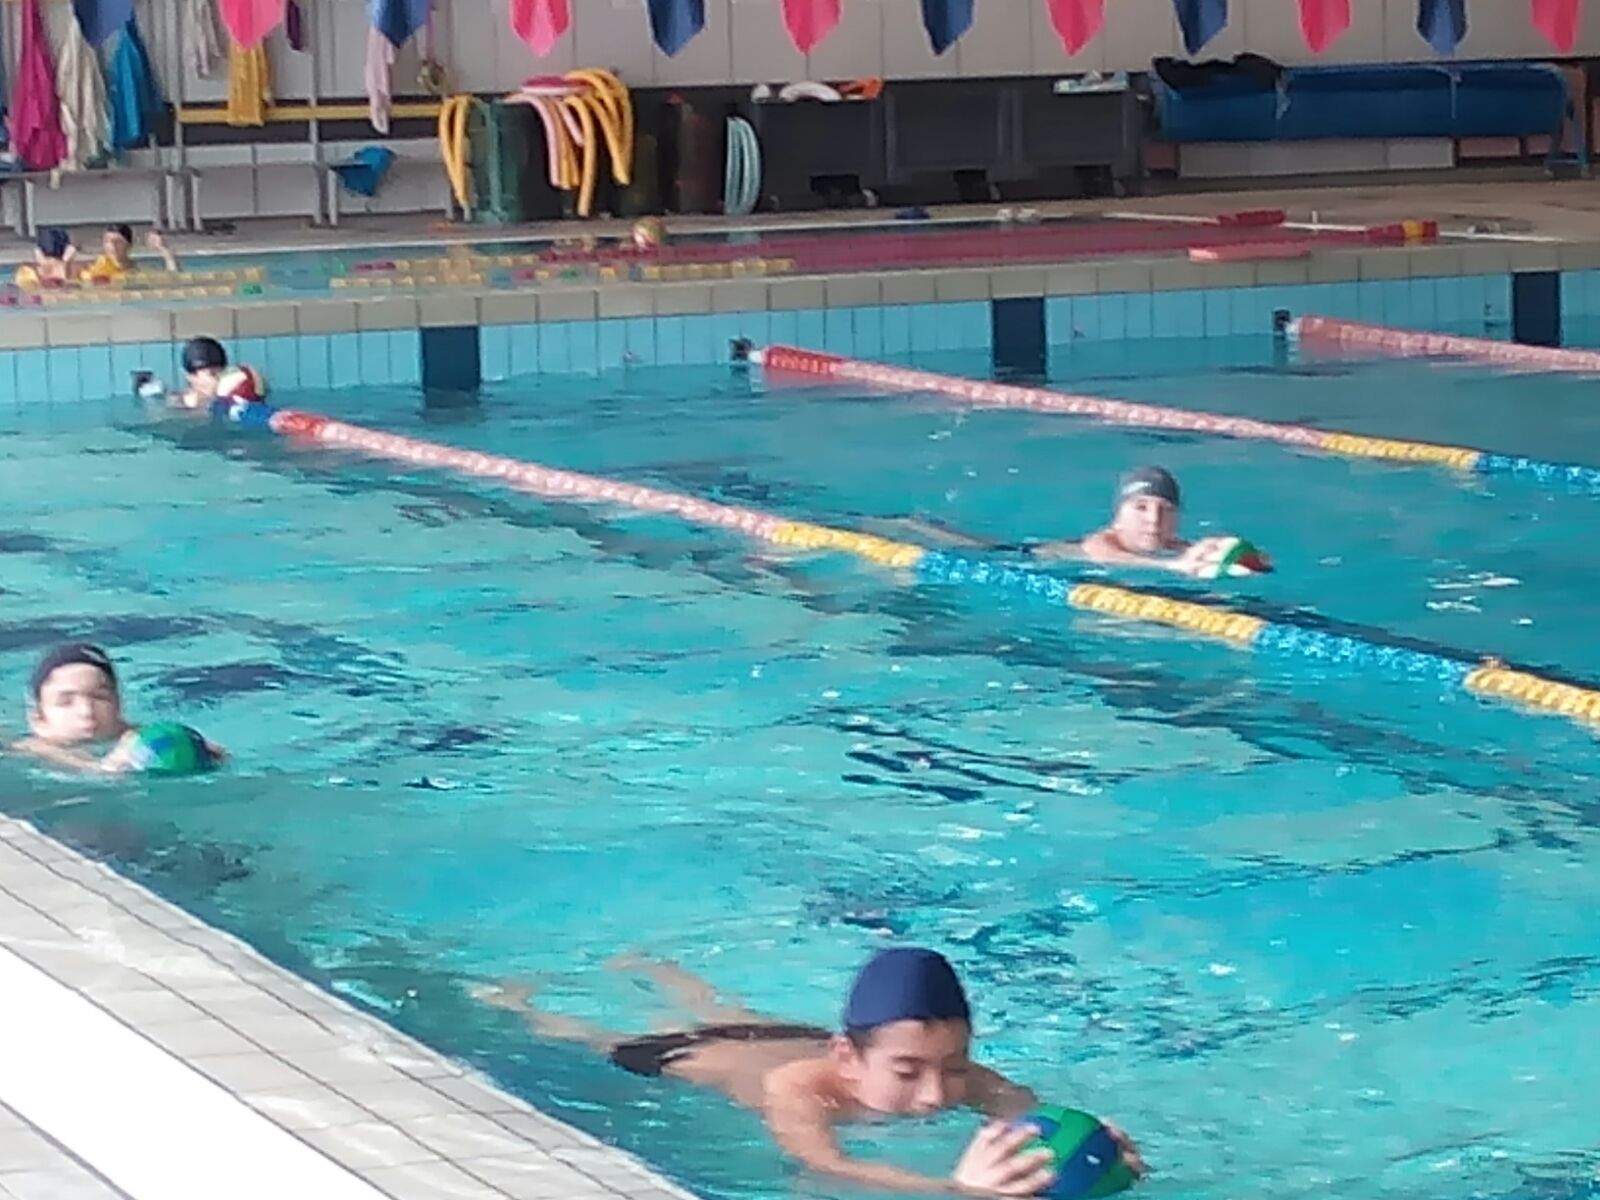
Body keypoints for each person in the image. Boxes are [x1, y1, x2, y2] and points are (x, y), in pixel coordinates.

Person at [474, 947, 1144, 1195]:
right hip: (696, 1056)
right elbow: (826, 1167)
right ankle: (518, 1001)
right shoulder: (795, 1088)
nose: (935, 1094)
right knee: (594, 1037)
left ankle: (662, 970)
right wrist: (954, 1189)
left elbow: (1033, 1117)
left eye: (954, 1065)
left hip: (786, 1035)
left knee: (732, 1012)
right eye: (907, 1072)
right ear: (846, 1056)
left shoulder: (960, 1076)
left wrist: (1097, 1147)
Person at [892, 466, 1234, 578]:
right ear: (1118, 515)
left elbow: (1210, 557)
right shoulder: (1105, 542)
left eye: (1165, 509)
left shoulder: (1175, 545)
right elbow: (1104, 556)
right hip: (1019, 557)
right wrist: (1171, 567)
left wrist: (1238, 557)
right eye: (1141, 507)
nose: (1153, 520)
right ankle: (913, 525)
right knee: (962, 545)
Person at [11, 643, 226, 774]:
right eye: (66, 702)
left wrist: (195, 747)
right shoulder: (33, 748)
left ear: (118, 704)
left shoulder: (132, 734)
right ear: (38, 718)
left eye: (100, 697)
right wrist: (113, 765)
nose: (87, 711)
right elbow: (95, 772)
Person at [81, 223, 179, 283]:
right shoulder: (100, 267)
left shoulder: (136, 270)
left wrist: (166, 252)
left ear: (129, 245)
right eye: (108, 242)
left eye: (118, 242)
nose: (112, 246)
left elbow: (174, 280)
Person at [174, 336, 229, 409]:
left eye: (223, 373)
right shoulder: (176, 408)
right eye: (213, 374)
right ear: (191, 376)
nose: (219, 380)